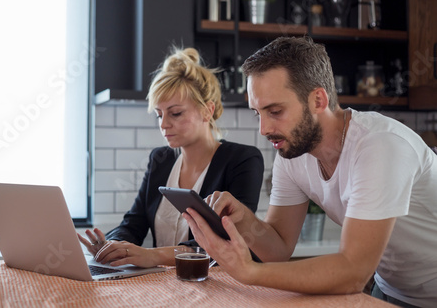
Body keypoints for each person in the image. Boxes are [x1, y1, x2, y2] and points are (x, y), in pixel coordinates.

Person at [183, 37, 437, 308]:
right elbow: (279, 249)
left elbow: (353, 271)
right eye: (258, 114)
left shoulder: (380, 146)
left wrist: (250, 272)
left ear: (318, 100)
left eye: (275, 111)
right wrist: (244, 219)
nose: (264, 129)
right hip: (391, 292)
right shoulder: (293, 152)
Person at [78, 47, 264, 268]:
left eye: (175, 113)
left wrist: (153, 256)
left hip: (220, 286)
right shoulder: (161, 159)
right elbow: (134, 223)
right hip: (167, 287)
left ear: (207, 110)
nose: (164, 124)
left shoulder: (242, 160)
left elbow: (225, 242)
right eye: (159, 114)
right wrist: (112, 244)